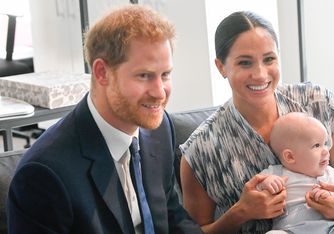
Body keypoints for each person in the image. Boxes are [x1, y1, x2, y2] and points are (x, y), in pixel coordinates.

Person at [7, 5, 202, 234]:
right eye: (144, 76)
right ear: (101, 73)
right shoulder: (43, 175)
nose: (160, 92)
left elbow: (172, 217)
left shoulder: (158, 131)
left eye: (165, 74)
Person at [180, 10, 334, 234]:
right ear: (221, 66)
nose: (260, 75)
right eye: (245, 63)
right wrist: (241, 212)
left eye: (269, 59)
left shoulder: (318, 104)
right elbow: (195, 232)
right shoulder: (200, 151)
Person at [256, 112, 334, 233]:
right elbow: (255, 188)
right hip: (292, 230)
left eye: (325, 143)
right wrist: (266, 183)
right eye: (316, 145)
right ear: (289, 157)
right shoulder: (276, 173)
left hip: (332, 228)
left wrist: (328, 197)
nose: (326, 151)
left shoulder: (330, 173)